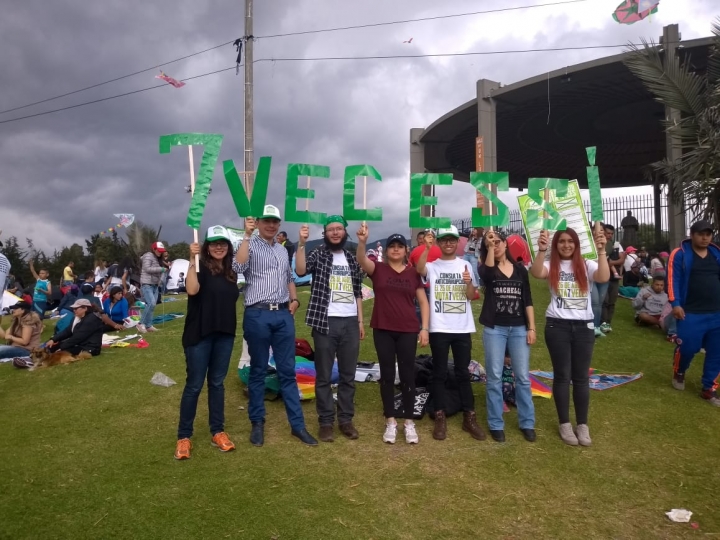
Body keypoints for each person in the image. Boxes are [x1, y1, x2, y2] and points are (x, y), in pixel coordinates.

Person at [234, 205, 317, 447]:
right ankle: (257, 423)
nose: (271, 225)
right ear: (259, 222)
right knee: (258, 370)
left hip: (282, 315)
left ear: (279, 225)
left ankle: (297, 426)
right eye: (267, 221)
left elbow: (289, 278)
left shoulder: (282, 251)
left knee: (287, 371)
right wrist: (247, 236)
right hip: (257, 313)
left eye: (275, 222)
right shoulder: (249, 243)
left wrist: (294, 299)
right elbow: (238, 267)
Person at [530, 226, 609, 446]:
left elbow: (603, 276)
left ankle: (582, 425)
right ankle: (565, 423)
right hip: (557, 327)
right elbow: (536, 273)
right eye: (562, 241)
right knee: (562, 375)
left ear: (576, 244)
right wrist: (541, 250)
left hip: (584, 328)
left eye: (570, 241)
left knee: (581, 377)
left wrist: (602, 250)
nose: (566, 245)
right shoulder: (551, 264)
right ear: (556, 245)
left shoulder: (586, 264)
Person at [356, 225, 429, 444]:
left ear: (406, 250)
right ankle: (390, 420)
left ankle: (408, 421)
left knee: (407, 375)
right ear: (386, 251)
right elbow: (361, 260)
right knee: (387, 375)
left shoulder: (413, 273)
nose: (396, 250)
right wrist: (362, 242)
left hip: (407, 329)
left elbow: (423, 302)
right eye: (392, 247)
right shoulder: (377, 269)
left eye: (400, 246)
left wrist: (424, 328)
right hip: (383, 328)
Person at [175, 226, 241, 460]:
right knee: (194, 385)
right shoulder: (199, 266)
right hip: (199, 335)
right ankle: (184, 436)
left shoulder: (231, 271)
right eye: (214, 243)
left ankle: (218, 431)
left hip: (224, 334)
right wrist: (192, 262)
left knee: (217, 384)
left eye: (222, 243)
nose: (219, 247)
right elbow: (192, 290)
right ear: (206, 247)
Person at [296, 215, 364, 442]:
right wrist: (302, 243)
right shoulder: (318, 253)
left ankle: (345, 420)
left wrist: (361, 322)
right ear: (324, 234)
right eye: (330, 230)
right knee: (323, 376)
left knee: (348, 375)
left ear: (345, 232)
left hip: (350, 323)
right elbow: (301, 270)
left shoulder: (352, 259)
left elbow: (357, 293)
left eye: (339, 229)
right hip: (325, 321)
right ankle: (326, 422)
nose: (335, 233)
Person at [417, 225, 486, 442]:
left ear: (458, 243)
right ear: (439, 243)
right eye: (444, 240)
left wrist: (467, 283)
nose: (448, 243)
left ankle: (469, 416)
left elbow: (471, 294)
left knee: (462, 372)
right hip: (439, 327)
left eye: (452, 240)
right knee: (438, 373)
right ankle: (440, 415)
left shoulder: (465, 263)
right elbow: (419, 270)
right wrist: (426, 248)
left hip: (461, 327)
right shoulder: (432, 265)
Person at [478, 230, 537, 443]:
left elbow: (528, 299)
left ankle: (527, 422)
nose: (496, 244)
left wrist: (532, 328)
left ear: (506, 243)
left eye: (499, 241)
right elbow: (487, 274)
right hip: (495, 329)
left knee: (522, 377)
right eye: (491, 242)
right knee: (494, 377)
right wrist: (489, 247)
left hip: (519, 328)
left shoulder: (521, 270)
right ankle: (496, 423)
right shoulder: (487, 268)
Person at [669, 220, 720, 407]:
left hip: (716, 313)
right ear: (692, 234)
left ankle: (709, 388)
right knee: (688, 347)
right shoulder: (680, 254)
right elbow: (673, 278)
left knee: (717, 352)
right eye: (701, 234)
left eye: (708, 234)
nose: (705, 237)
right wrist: (675, 303)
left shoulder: (716, 253)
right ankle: (680, 370)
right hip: (690, 312)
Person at [600, 224, 625, 334]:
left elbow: (622, 259)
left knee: (612, 302)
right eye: (607, 233)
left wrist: (611, 263)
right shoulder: (601, 244)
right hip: (603, 277)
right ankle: (603, 322)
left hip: (614, 278)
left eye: (611, 233)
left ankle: (608, 322)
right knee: (604, 301)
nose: (609, 235)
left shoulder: (616, 245)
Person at [137, 242, 167, 334]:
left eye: (161, 251)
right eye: (158, 250)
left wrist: (161, 280)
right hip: (147, 283)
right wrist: (161, 269)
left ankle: (148, 325)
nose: (160, 252)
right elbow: (147, 268)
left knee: (152, 305)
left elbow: (161, 272)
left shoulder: (158, 259)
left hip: (155, 284)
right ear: (153, 249)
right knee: (151, 303)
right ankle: (140, 323)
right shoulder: (148, 256)